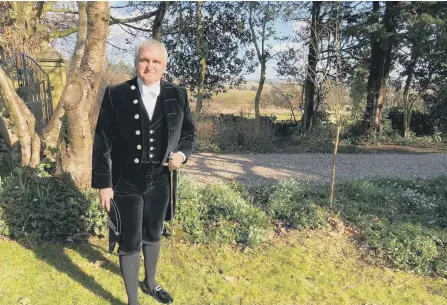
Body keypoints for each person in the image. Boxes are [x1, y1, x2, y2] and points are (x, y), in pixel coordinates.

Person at [91, 39, 196, 305]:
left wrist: (182, 155)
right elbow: (103, 140)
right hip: (126, 179)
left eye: (155, 61)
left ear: (165, 66)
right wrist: (104, 183)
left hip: (162, 179)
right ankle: (133, 300)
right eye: (144, 60)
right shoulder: (116, 93)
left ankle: (150, 283)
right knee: (129, 238)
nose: (149, 66)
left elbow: (188, 132)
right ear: (137, 62)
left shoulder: (178, 94)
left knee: (154, 231)